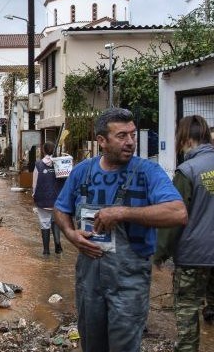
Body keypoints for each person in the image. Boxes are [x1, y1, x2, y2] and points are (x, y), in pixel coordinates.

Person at [53, 107, 187, 352]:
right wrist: (71, 235)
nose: (130, 142)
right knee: (92, 344)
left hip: (129, 280)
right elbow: (60, 209)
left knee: (124, 346)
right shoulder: (83, 171)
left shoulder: (148, 172)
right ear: (102, 141)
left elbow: (178, 212)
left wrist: (123, 212)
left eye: (132, 135)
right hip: (89, 279)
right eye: (122, 136)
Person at [153, 115, 214, 352]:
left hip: (193, 256)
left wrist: (158, 254)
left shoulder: (187, 171)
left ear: (186, 138)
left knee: (188, 310)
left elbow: (174, 218)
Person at [32, 141, 64, 256]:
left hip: (43, 199)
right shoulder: (60, 164)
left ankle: (46, 251)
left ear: (44, 151)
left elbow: (35, 184)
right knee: (56, 222)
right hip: (58, 200)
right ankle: (58, 247)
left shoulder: (38, 165)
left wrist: (34, 196)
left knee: (45, 223)